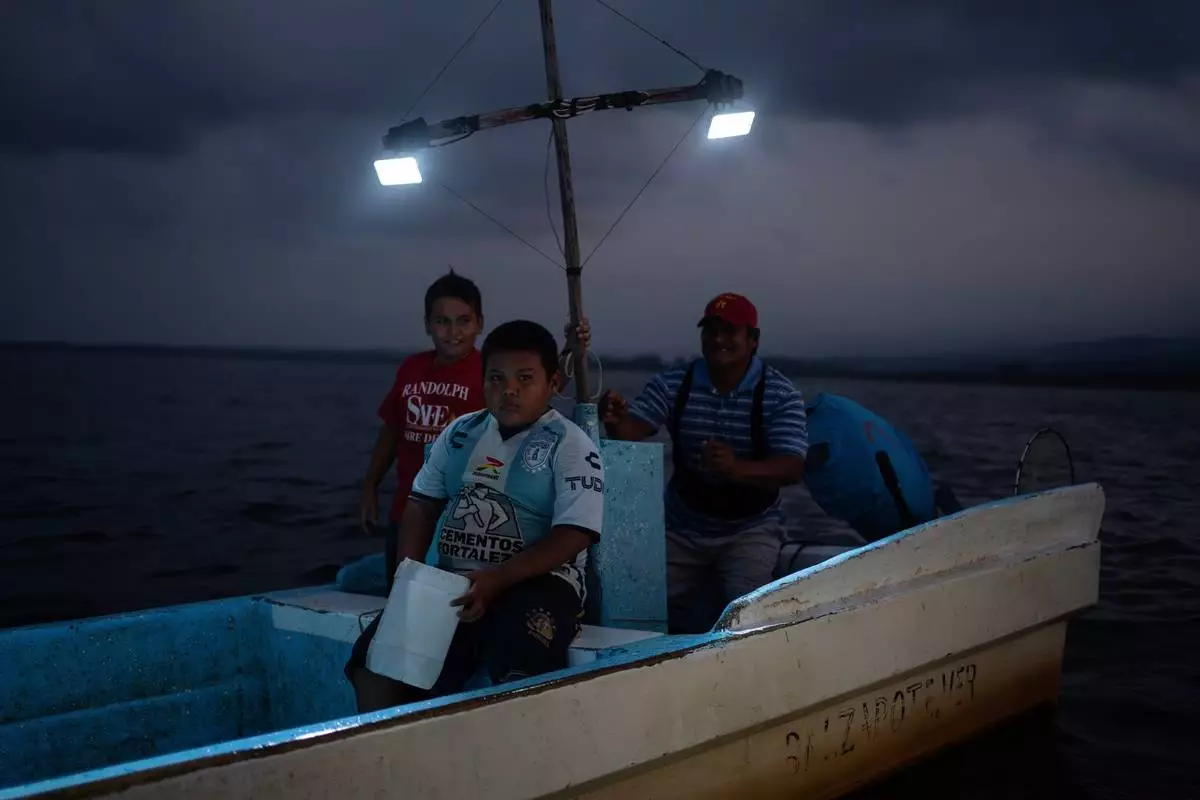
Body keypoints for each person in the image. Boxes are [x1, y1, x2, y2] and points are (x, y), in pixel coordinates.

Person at [346, 319, 605, 712]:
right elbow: (421, 502)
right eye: (496, 378)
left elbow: (575, 533)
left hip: (539, 581)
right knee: (374, 663)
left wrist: (498, 579)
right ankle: (384, 754)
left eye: (524, 378)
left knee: (522, 662)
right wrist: (410, 575)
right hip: (456, 580)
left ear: (553, 383)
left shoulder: (571, 444)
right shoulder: (459, 432)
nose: (509, 390)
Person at [358, 269, 591, 591]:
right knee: (402, 589)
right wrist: (371, 484)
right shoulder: (411, 368)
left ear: (479, 323)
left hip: (464, 515)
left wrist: (570, 350)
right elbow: (392, 429)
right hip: (411, 505)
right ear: (427, 324)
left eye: (463, 321)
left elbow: (536, 391)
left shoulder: (493, 371)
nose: (452, 331)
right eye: (442, 321)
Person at [599, 292, 808, 633]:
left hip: (751, 530)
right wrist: (613, 417)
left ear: (753, 340)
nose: (717, 340)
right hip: (680, 528)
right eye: (710, 330)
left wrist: (736, 468)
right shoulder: (674, 383)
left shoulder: (779, 394)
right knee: (633, 604)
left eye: (729, 331)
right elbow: (629, 432)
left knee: (750, 615)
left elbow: (792, 466)